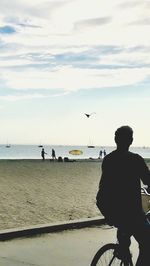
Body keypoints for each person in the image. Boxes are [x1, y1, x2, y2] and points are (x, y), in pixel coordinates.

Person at [96, 125, 150, 265]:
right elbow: (148, 180)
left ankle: (122, 251)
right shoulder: (135, 159)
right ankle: (123, 252)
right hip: (132, 213)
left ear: (116, 140)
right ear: (131, 141)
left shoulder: (108, 159)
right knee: (147, 245)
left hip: (113, 212)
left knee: (124, 237)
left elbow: (105, 186)